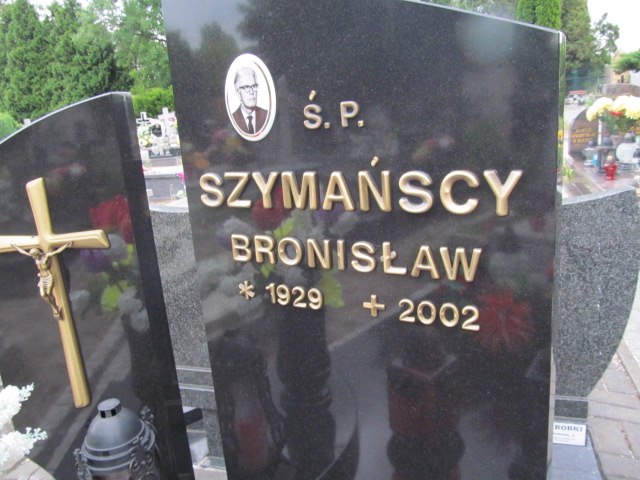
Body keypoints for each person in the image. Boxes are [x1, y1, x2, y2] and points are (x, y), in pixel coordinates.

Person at [232, 67, 268, 134]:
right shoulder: (233, 118)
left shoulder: (266, 115)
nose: (251, 91)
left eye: (254, 86)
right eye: (246, 87)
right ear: (238, 93)